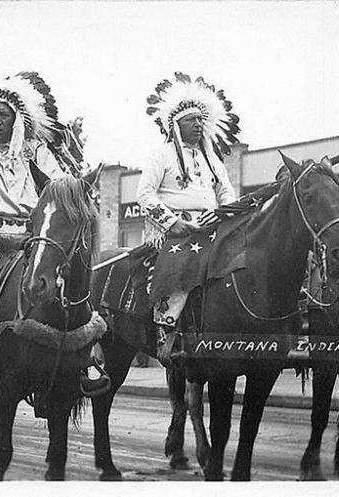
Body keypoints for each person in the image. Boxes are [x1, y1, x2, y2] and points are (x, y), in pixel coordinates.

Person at [0, 71, 102, 397]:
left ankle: (84, 357)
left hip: (31, 235)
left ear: (17, 120)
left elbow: (59, 187)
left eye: (3, 115)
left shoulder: (37, 152)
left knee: (72, 274)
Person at [139, 73, 241, 366]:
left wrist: (228, 215)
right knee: (182, 265)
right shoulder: (162, 155)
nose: (198, 125)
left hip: (212, 227)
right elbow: (144, 194)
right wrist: (174, 223)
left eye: (200, 120)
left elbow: (226, 190)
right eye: (190, 120)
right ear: (175, 125)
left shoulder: (212, 157)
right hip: (177, 232)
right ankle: (167, 330)